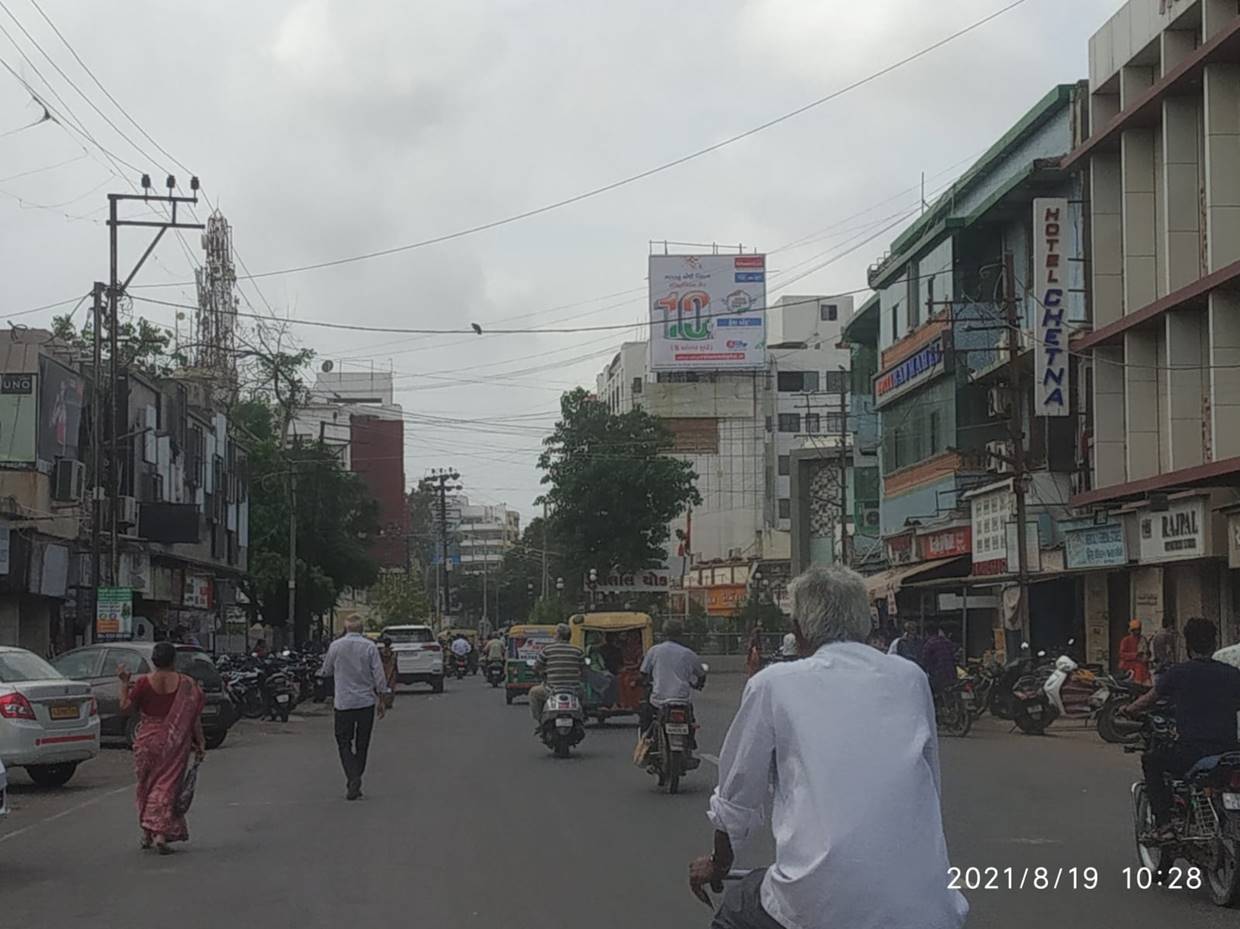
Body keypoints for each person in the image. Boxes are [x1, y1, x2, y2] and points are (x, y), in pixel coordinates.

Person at [689, 565, 968, 929]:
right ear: (865, 625)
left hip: (816, 903)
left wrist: (719, 864)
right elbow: (929, 782)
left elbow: (737, 796)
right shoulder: (909, 678)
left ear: (798, 630)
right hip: (930, 909)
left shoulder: (773, 684)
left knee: (738, 906)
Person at [1122, 616, 1240, 840]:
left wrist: (1128, 710)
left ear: (1188, 645)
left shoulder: (1178, 673)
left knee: (1152, 760)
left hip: (1192, 752)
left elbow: (1150, 698)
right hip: (1229, 751)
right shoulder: (1232, 674)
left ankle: (1164, 826)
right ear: (1214, 644)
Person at [119, 641, 206, 854]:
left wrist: (123, 683)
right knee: (167, 786)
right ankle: (159, 833)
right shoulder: (187, 684)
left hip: (147, 740)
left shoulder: (143, 683)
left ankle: (148, 832)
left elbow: (125, 708)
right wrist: (200, 742)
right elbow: (193, 718)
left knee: (146, 786)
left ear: (153, 661)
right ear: (174, 660)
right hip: (175, 742)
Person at [318, 617, 390, 801]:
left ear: (345, 628)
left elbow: (326, 670)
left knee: (343, 742)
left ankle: (353, 777)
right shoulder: (369, 647)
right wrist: (382, 699)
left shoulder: (336, 646)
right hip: (365, 702)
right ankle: (355, 777)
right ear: (362, 629)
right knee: (362, 743)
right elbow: (379, 675)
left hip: (343, 703)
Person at [639, 618, 706, 735]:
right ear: (681, 634)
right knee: (691, 719)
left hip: (658, 700)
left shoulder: (655, 651)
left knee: (646, 718)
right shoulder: (688, 653)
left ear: (664, 633)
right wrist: (698, 685)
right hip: (682, 699)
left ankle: (645, 742)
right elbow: (701, 674)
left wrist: (645, 682)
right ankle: (691, 739)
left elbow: (644, 672)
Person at [529, 624, 584, 729]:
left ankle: (540, 720)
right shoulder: (578, 651)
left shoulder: (547, 650)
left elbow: (536, 667)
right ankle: (582, 718)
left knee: (533, 693)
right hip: (574, 689)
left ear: (558, 635)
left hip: (551, 689)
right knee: (583, 694)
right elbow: (584, 670)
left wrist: (540, 672)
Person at [920, 626, 958, 697]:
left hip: (938, 676)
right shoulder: (947, 642)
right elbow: (954, 656)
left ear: (927, 633)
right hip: (952, 674)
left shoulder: (929, 644)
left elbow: (924, 661)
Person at [1118, 618, 1151, 685]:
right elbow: (1122, 654)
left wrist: (1147, 654)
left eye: (1139, 630)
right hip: (1129, 667)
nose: (1138, 632)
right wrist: (1135, 655)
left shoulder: (1143, 639)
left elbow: (1147, 651)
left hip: (1142, 666)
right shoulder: (1126, 640)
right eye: (1136, 630)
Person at [1150, 618, 1178, 684]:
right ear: (1170, 625)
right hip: (1165, 664)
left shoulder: (1156, 635)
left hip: (1158, 663)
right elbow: (1169, 651)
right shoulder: (1168, 635)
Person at [377, 636, 398, 709]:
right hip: (391, 671)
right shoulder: (394, 653)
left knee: (382, 687)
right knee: (391, 687)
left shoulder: (380, 652)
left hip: (382, 671)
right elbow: (395, 663)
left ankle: (383, 701)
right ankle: (389, 702)